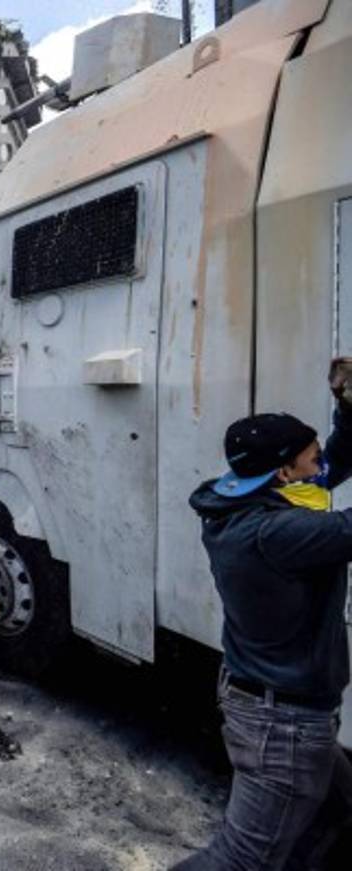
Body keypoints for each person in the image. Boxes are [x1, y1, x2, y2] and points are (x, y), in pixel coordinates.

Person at [175, 360, 352, 871]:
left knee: (335, 813)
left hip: (266, 701)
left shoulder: (240, 495)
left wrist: (348, 408)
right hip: (285, 724)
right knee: (241, 858)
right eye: (310, 457)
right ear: (283, 472)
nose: (321, 465)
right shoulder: (278, 534)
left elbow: (329, 469)